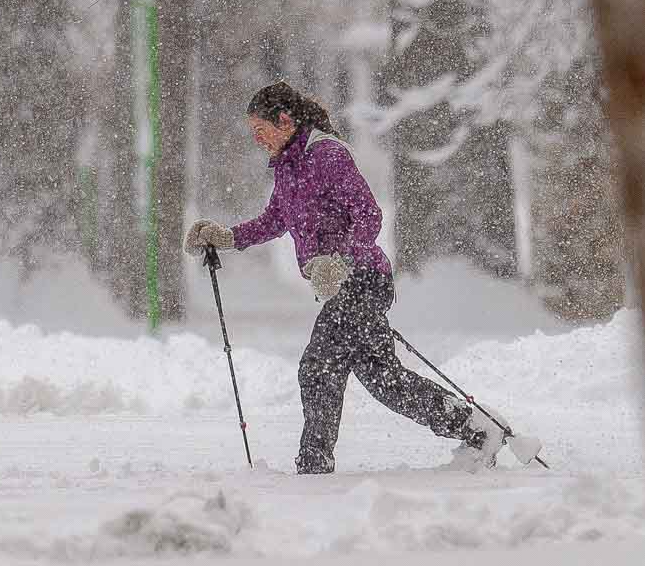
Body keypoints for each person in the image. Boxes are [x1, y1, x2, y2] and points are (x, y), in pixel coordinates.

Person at [185, 81, 514, 475]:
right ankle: (476, 430)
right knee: (385, 381)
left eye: (261, 130)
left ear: (285, 121)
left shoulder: (327, 155)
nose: (257, 139)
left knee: (319, 366)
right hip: (343, 286)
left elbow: (369, 215)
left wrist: (340, 260)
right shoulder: (288, 167)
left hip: (362, 280)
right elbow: (276, 219)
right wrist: (227, 237)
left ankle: (314, 465)